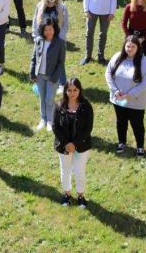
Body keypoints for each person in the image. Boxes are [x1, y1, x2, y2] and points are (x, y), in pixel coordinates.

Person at [105, 35, 146, 156]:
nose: (129, 49)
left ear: (138, 47)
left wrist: (129, 95)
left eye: (133, 46)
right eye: (127, 46)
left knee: (137, 124)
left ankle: (140, 147)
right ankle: (122, 142)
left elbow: (145, 84)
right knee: (121, 121)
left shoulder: (144, 62)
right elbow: (108, 74)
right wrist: (115, 91)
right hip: (118, 99)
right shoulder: (117, 57)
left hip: (135, 102)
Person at [52, 78, 94, 208]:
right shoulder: (59, 105)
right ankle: (67, 195)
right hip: (63, 146)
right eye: (69, 90)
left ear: (79, 90)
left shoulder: (86, 106)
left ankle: (81, 196)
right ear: (65, 91)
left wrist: (74, 144)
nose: (72, 93)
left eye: (75, 90)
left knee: (79, 171)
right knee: (65, 170)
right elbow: (55, 126)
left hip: (81, 145)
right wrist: (66, 143)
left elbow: (88, 128)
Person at [30, 18, 66, 132]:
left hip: (52, 77)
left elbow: (61, 63)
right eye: (45, 30)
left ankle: (50, 120)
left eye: (50, 29)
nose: (48, 32)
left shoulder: (60, 43)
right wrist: (32, 73)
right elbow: (34, 58)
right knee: (42, 98)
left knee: (49, 99)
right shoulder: (39, 40)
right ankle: (43, 119)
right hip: (39, 76)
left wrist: (55, 77)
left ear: (54, 29)